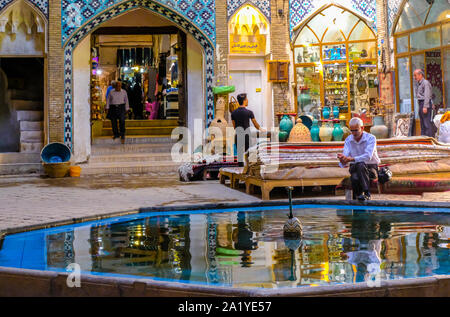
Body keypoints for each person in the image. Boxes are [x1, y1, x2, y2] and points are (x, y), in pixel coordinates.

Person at [337, 117, 381, 201]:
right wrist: (342, 159)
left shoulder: (371, 138)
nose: (353, 133)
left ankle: (360, 197)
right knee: (358, 167)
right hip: (355, 167)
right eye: (351, 130)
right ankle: (366, 194)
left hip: (370, 168)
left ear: (362, 128)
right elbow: (345, 157)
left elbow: (368, 156)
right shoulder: (348, 140)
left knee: (355, 176)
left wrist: (351, 159)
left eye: (356, 130)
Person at [231, 93, 263, 166]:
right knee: (248, 154)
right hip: (246, 136)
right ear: (244, 100)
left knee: (240, 157)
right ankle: (248, 172)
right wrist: (261, 129)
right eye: (247, 99)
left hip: (238, 135)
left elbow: (234, 126)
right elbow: (255, 124)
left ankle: (239, 174)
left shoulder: (233, 113)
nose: (247, 101)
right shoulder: (249, 112)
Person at [413, 69, 434, 137]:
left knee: (426, 123)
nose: (414, 77)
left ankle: (429, 140)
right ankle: (423, 140)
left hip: (425, 104)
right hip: (421, 103)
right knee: (422, 123)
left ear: (420, 75)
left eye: (415, 75)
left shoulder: (425, 83)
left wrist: (425, 106)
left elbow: (427, 95)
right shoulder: (419, 84)